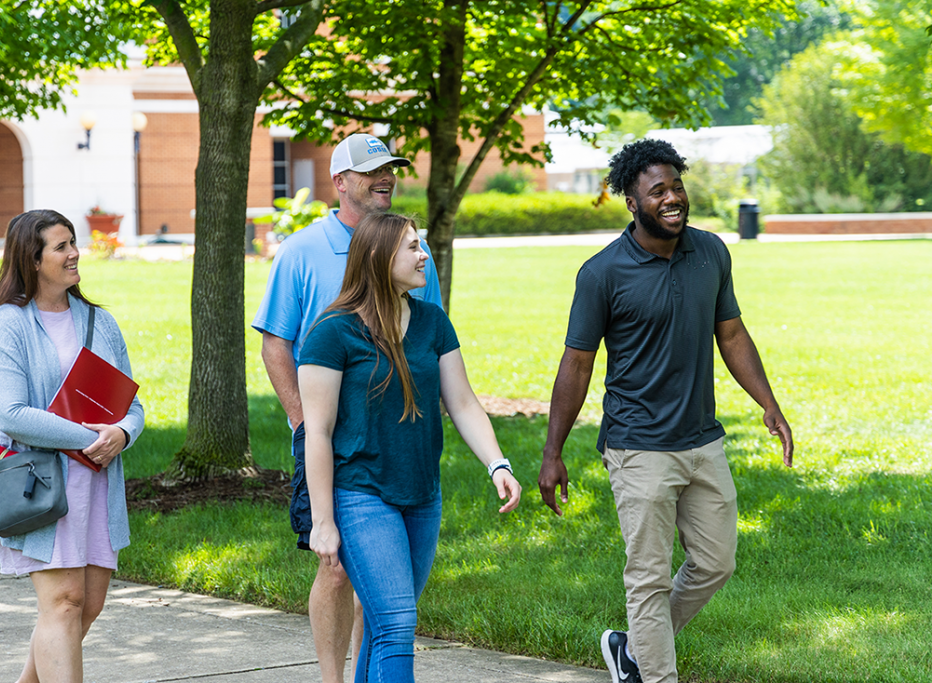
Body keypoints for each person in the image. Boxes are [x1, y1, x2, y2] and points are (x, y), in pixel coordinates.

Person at [537, 139, 794, 683]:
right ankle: (655, 672)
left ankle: (634, 648)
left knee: (716, 563)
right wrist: (552, 452)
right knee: (648, 578)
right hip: (637, 446)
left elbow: (732, 333)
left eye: (677, 185)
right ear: (631, 201)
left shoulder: (711, 252)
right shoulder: (602, 273)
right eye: (658, 190)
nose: (672, 197)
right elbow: (576, 364)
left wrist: (768, 404)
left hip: (702, 440)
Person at [298, 212, 522, 682]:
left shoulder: (431, 322)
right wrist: (322, 522)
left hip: (422, 494)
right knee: (398, 623)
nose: (425, 256)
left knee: (385, 627)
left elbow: (461, 403)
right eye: (413, 248)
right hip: (361, 493)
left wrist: (497, 463)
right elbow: (316, 432)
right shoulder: (332, 332)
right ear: (380, 257)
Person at [252, 134, 442, 683]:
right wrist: (304, 420)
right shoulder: (301, 251)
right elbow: (275, 341)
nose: (385, 179)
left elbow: (425, 336)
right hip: (324, 432)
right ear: (340, 182)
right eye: (371, 171)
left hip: (391, 440)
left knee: (382, 597)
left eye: (391, 170)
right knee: (334, 570)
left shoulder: (411, 248)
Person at [0, 209, 144, 682]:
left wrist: (124, 432)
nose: (74, 253)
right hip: (41, 484)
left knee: (86, 605)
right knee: (64, 602)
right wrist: (93, 436)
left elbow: (131, 403)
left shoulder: (99, 321)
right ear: (31, 260)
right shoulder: (8, 324)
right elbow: (11, 414)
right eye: (61, 246)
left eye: (73, 242)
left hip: (96, 483)